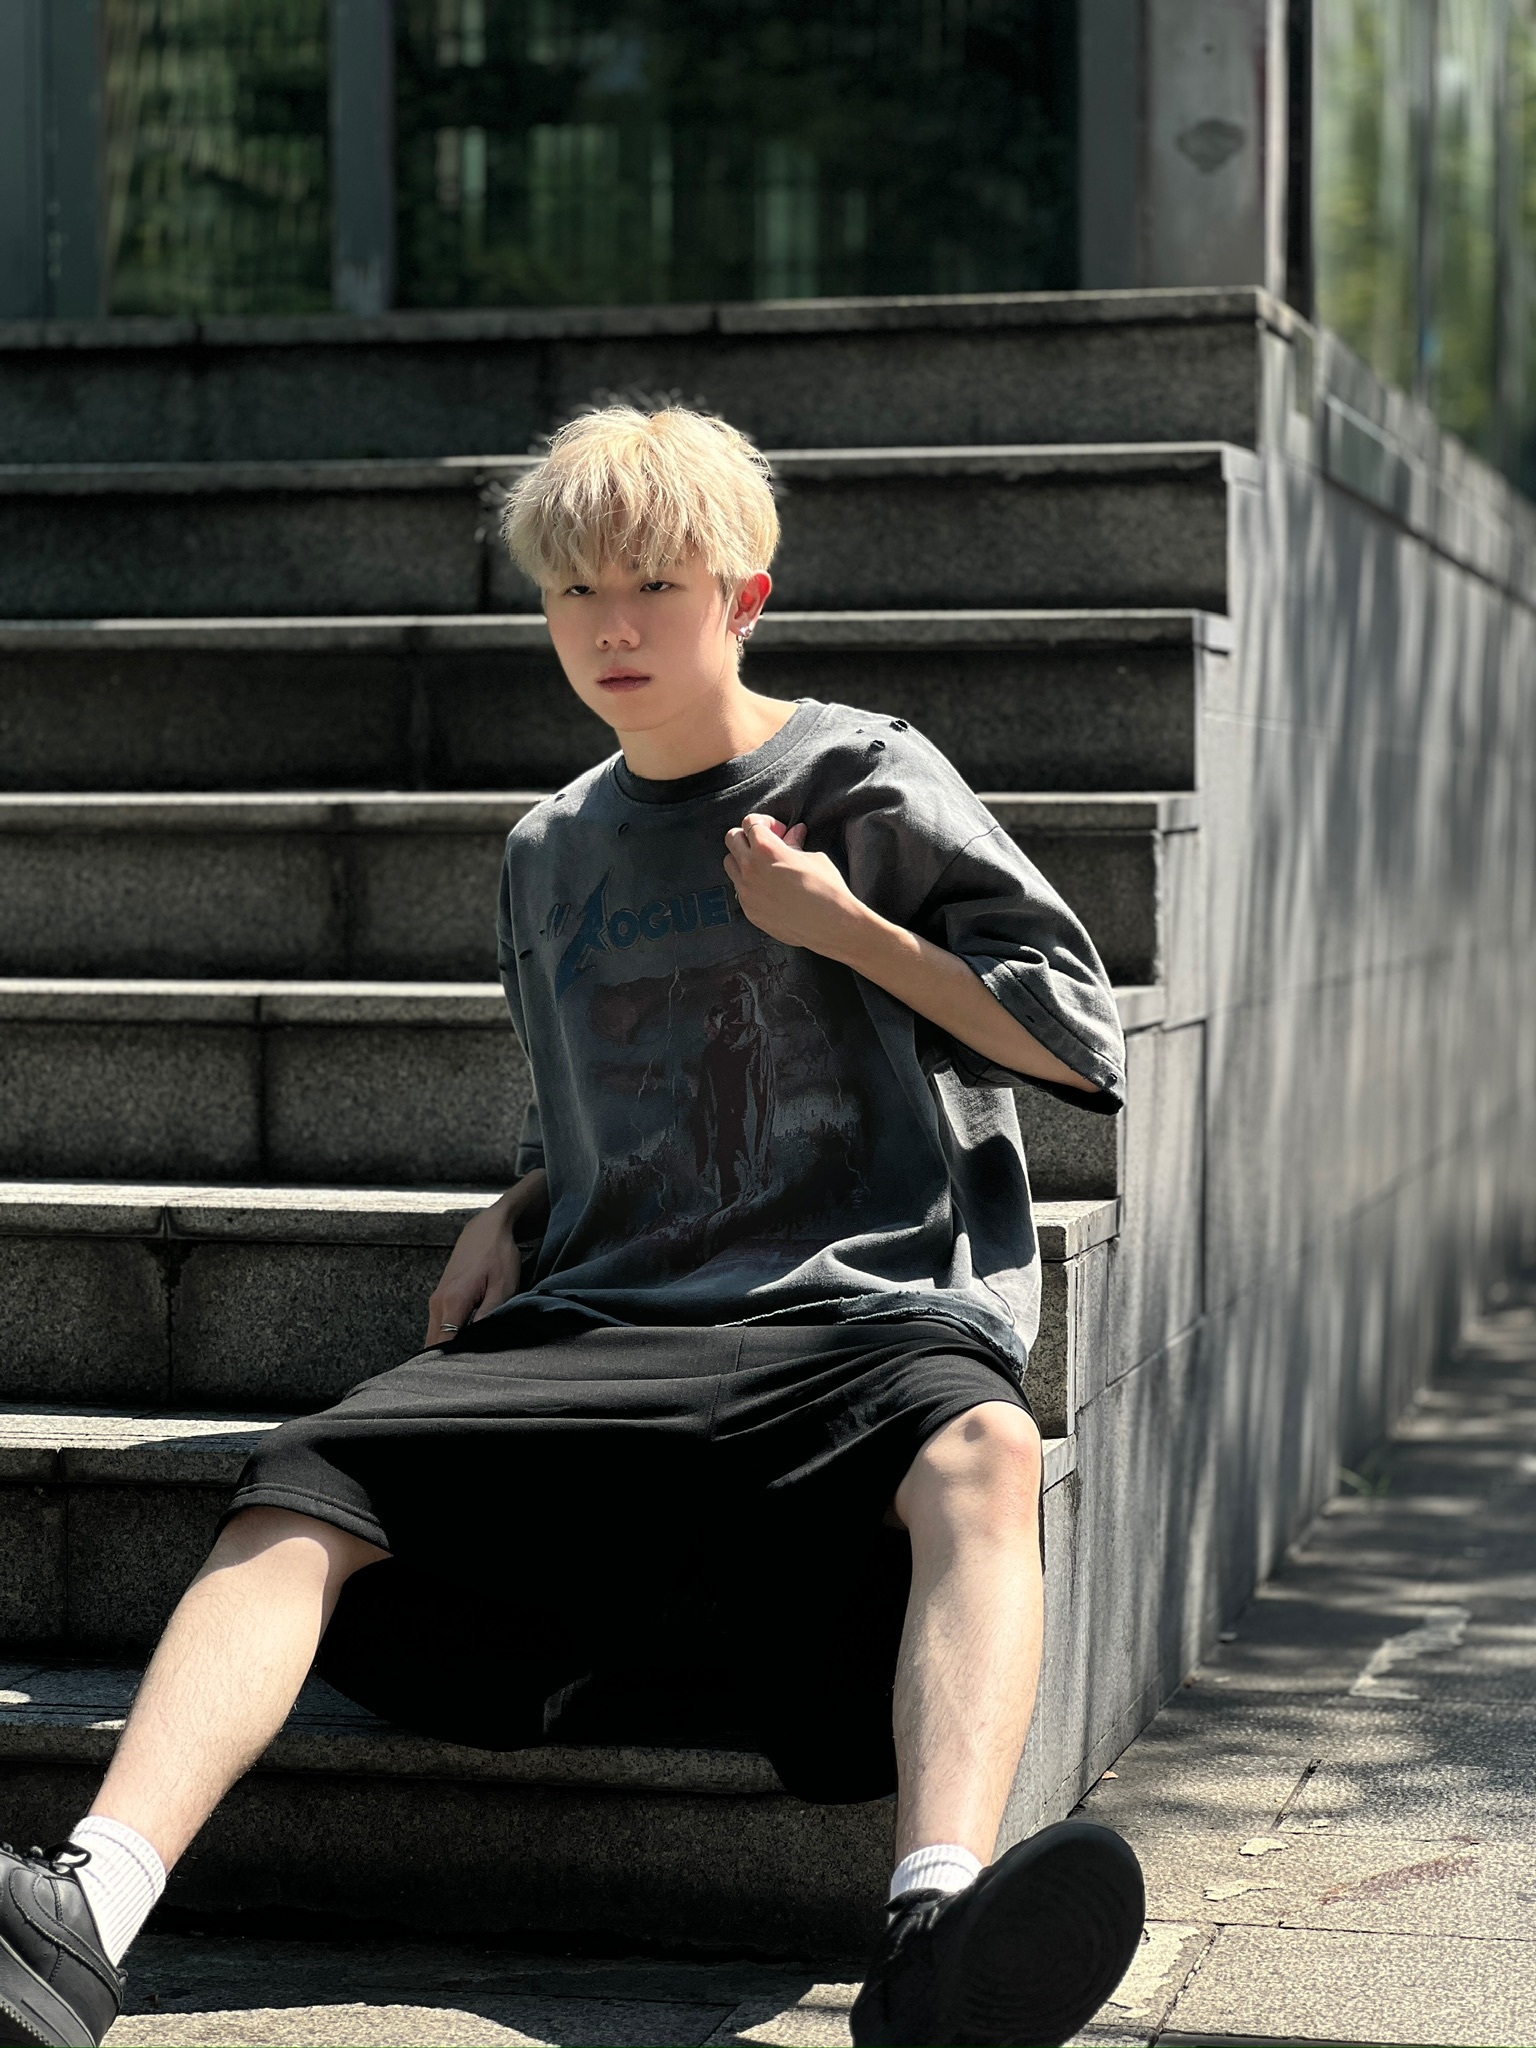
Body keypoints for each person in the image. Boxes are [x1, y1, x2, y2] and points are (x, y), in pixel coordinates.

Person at [0, 406, 1144, 2048]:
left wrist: (843, 925)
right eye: (576, 593)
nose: (613, 627)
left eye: (655, 587)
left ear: (742, 599)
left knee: (986, 1448)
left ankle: (935, 1922)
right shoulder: (549, 849)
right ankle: (85, 1909)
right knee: (311, 1478)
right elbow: (596, 1093)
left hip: (861, 1311)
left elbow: (1080, 1046)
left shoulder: (864, 775)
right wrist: (518, 1202)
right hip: (612, 1322)